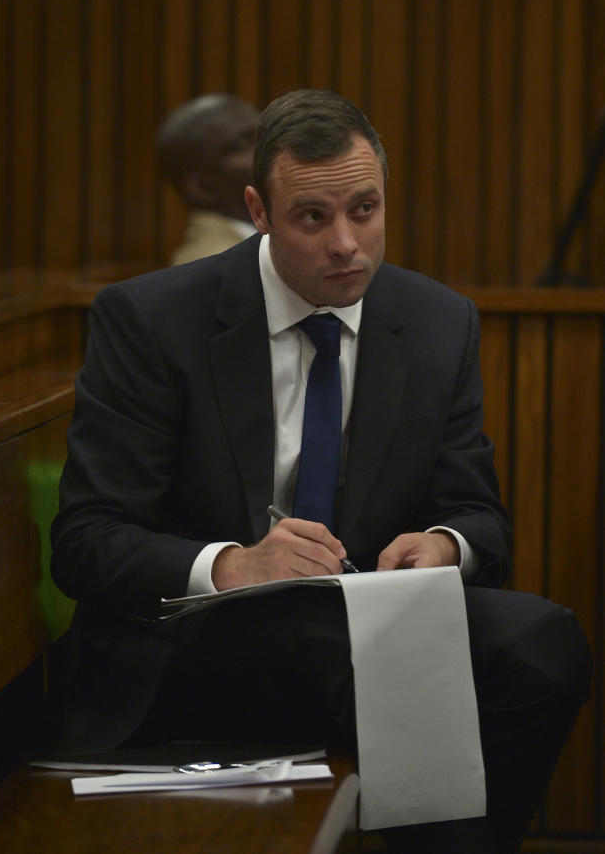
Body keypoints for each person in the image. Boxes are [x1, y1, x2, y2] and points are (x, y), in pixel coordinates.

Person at [49, 90, 592, 854]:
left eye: (365, 210)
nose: (347, 244)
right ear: (259, 210)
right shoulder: (152, 319)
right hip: (192, 644)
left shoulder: (436, 322)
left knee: (543, 642)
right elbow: (84, 541)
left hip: (366, 626)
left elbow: (480, 519)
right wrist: (234, 565)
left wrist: (442, 545)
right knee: (373, 658)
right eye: (313, 218)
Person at [157, 93, 259, 266]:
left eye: (268, 135)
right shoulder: (214, 266)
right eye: (243, 145)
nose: (274, 150)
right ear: (202, 187)